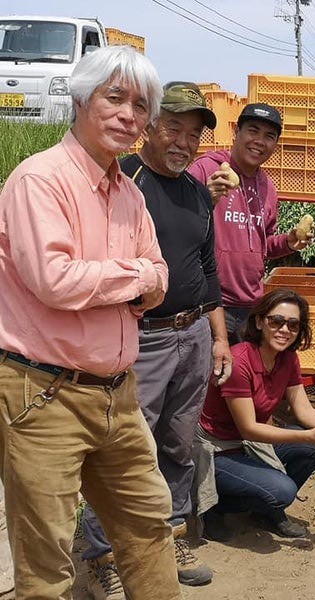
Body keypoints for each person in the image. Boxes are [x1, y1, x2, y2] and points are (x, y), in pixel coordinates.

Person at [0, 45, 182, 599]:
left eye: (142, 105)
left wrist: (124, 282)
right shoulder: (40, 181)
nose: (131, 115)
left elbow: (162, 282)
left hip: (117, 394)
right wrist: (135, 278)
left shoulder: (130, 193)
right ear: (82, 99)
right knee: (47, 561)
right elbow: (55, 281)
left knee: (149, 527)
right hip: (43, 393)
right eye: (116, 97)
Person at [79, 81, 232, 597]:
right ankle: (102, 551)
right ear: (149, 126)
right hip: (141, 337)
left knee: (179, 442)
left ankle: (171, 533)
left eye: (194, 134)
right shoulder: (126, 184)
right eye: (174, 127)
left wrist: (218, 338)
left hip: (191, 332)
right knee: (124, 447)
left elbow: (207, 268)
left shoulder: (194, 191)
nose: (183, 141)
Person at [194, 289, 315, 540]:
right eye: (276, 321)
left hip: (248, 444)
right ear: (260, 321)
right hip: (218, 448)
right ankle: (215, 508)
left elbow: (303, 409)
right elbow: (249, 428)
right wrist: (308, 436)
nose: (285, 329)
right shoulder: (240, 361)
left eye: (293, 324)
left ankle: (265, 512)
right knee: (283, 490)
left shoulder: (288, 359)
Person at [188, 104, 312, 342]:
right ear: (237, 131)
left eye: (269, 136)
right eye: (253, 131)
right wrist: (206, 199)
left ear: (276, 144)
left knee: (243, 376)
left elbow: (263, 245)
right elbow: (181, 225)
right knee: (213, 375)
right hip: (211, 303)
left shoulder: (268, 188)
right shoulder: (207, 169)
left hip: (251, 305)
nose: (259, 141)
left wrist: (289, 241)